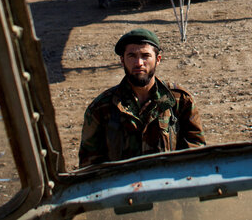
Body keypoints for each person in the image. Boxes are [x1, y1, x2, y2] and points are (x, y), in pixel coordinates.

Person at [79, 28, 205, 167]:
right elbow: (89, 165)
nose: (139, 63)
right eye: (132, 56)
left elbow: (196, 155)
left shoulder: (179, 101)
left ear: (158, 60)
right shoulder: (102, 108)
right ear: (122, 60)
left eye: (145, 56)